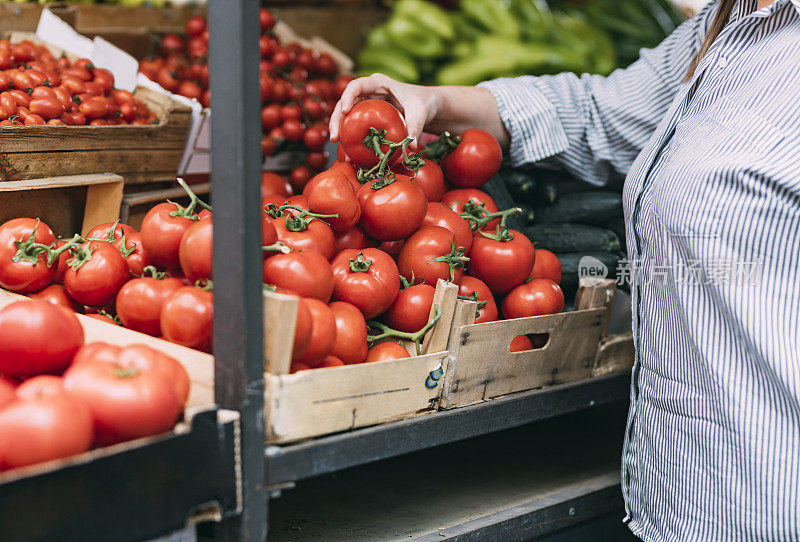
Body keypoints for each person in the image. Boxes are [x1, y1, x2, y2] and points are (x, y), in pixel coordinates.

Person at [329, 1, 800, 540]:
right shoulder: (731, 22)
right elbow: (597, 114)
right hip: (688, 494)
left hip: (774, 494)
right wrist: (433, 101)